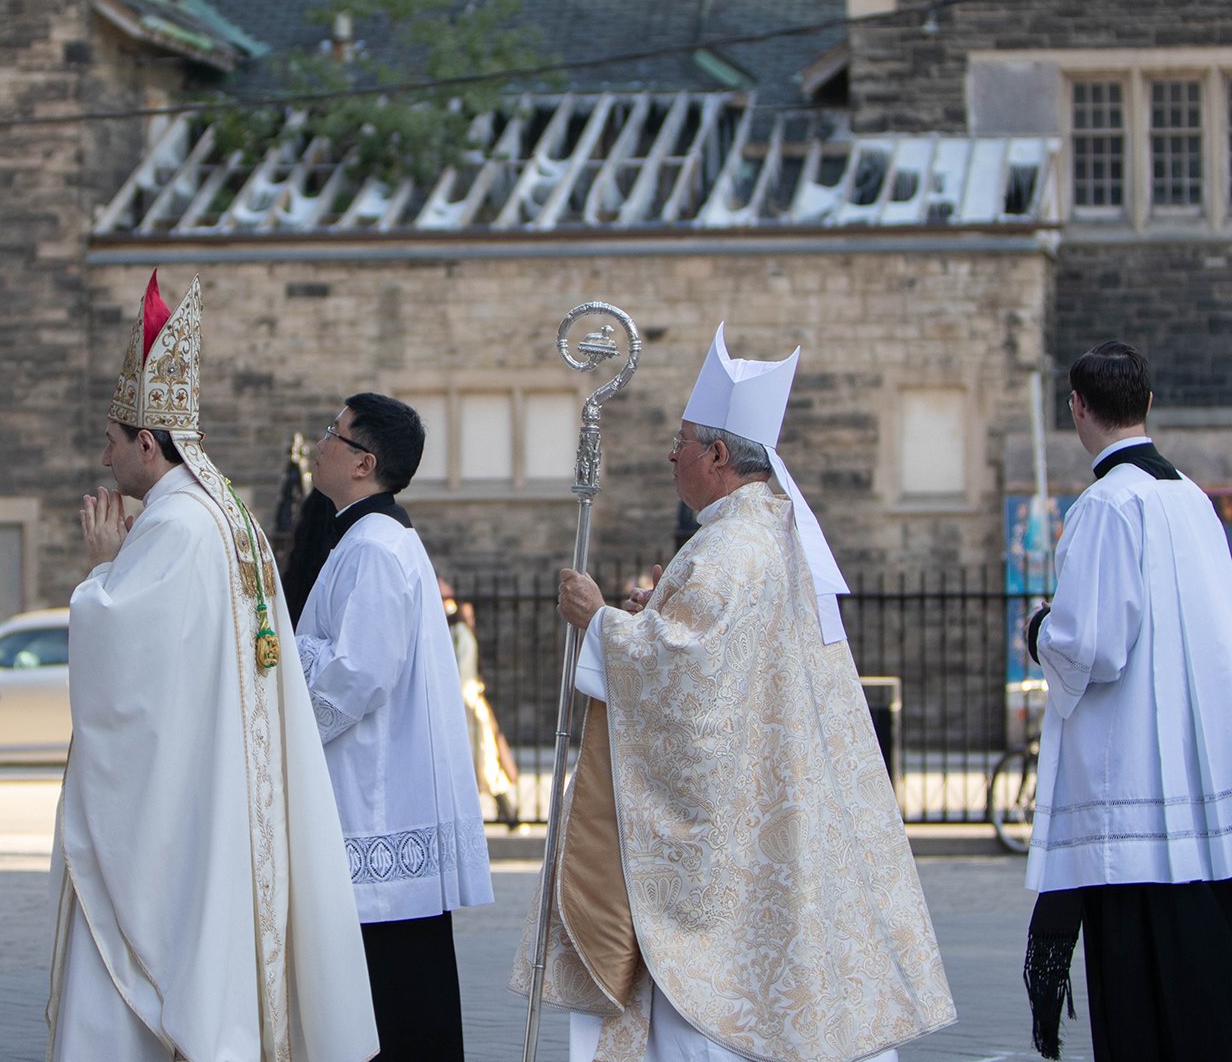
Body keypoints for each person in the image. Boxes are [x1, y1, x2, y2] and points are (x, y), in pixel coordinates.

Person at [516, 324, 954, 1062]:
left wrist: (598, 624)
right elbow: (718, 665)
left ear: (717, 455)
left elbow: (683, 687)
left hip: (725, 858)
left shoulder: (723, 550)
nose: (670, 454)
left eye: (682, 439)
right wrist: (647, 617)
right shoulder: (775, 536)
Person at [47, 272, 377, 1062]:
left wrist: (98, 576)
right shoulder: (220, 510)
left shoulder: (174, 528)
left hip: (188, 800)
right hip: (225, 782)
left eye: (112, 438)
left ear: (148, 443)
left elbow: (128, 681)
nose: (103, 453)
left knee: (150, 950)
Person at [1020, 341, 1232, 1061]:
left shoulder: (1107, 506)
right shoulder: (1195, 503)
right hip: (1200, 787)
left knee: (1140, 1004)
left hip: (1133, 800)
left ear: (1077, 408)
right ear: (1147, 404)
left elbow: (1095, 649)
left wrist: (1040, 627)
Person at [295, 394, 493, 1062]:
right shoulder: (365, 538)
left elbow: (362, 671)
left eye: (333, 433)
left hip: (373, 802)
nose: (321, 442)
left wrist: (289, 677)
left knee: (396, 1001)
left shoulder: (375, 548)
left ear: (363, 463)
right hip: (372, 795)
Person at [440, 577, 520, 827]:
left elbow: (464, 674)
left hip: (467, 708)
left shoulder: (458, 631)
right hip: (458, 708)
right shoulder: (447, 628)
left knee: (485, 763)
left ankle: (509, 814)